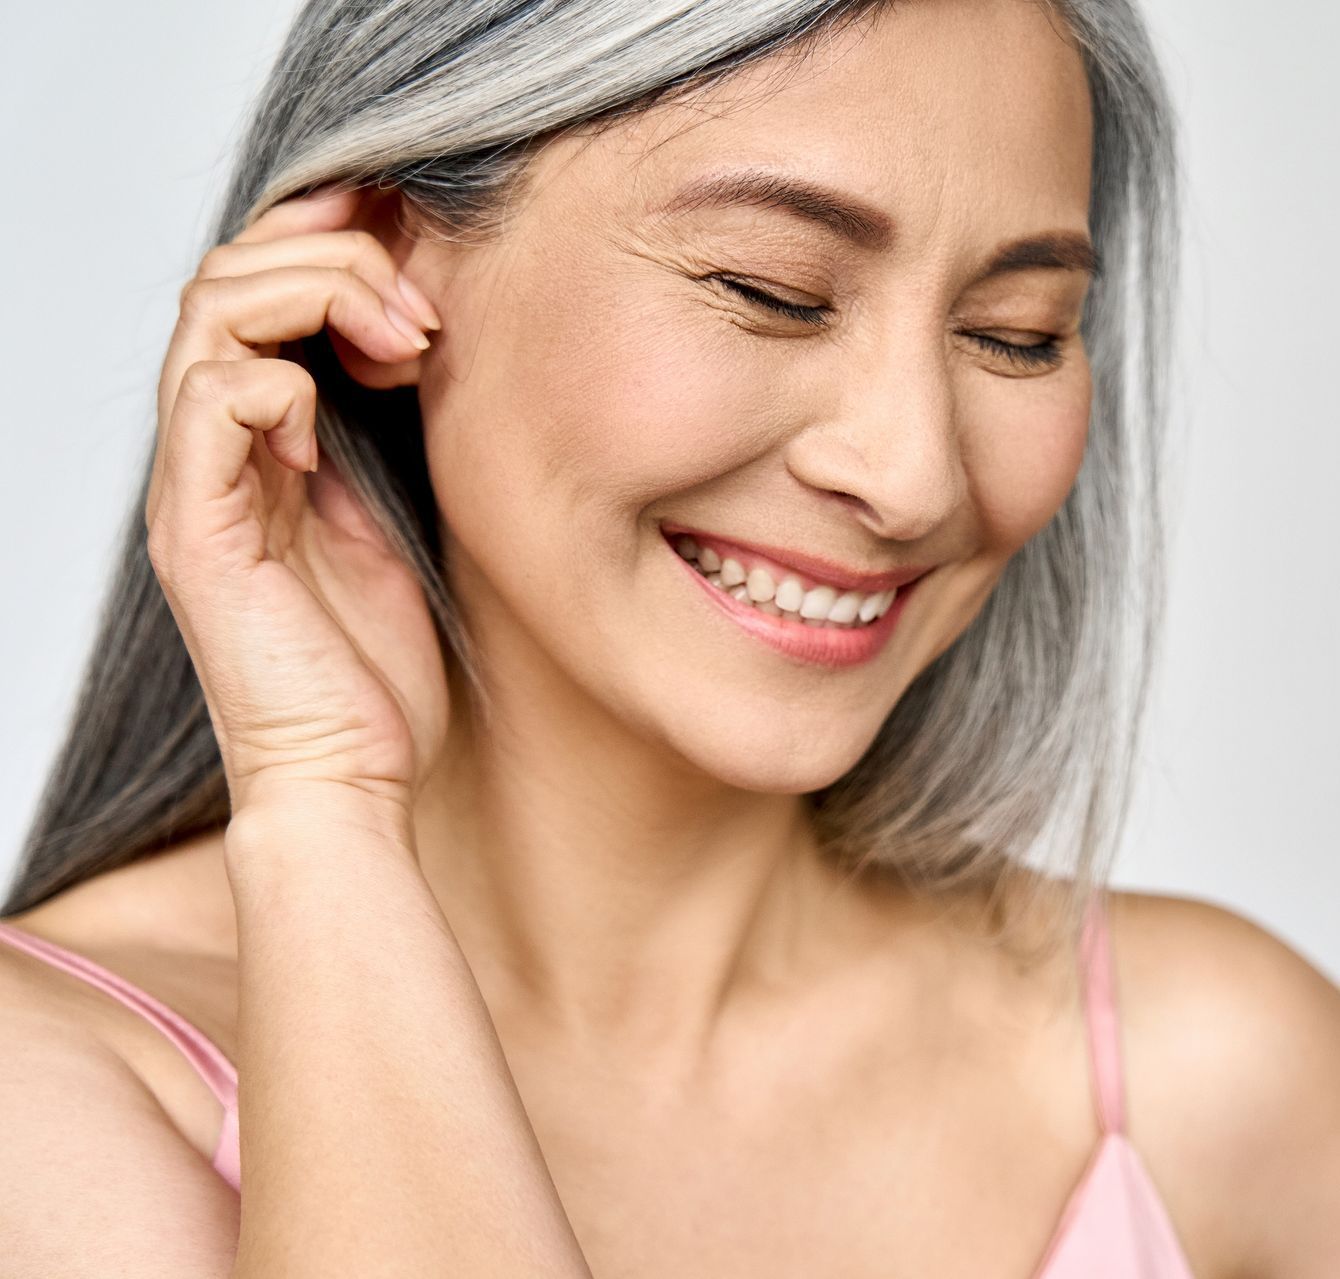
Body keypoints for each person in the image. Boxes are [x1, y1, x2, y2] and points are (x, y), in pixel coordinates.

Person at [1, 0, 1336, 1274]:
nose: (914, 473)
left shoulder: (1220, 1081)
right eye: (772, 288)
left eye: (1014, 335)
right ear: (389, 263)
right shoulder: (51, 1102)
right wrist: (322, 806)